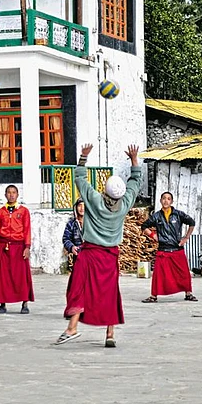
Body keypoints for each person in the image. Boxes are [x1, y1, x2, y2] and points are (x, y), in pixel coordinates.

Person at [55, 144, 142, 348]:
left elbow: (79, 179)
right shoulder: (125, 204)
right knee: (110, 293)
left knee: (79, 288)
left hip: (90, 253)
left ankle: (72, 328)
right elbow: (135, 182)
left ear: (105, 189)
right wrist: (134, 160)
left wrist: (83, 157)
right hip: (110, 256)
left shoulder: (95, 201)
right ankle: (110, 333)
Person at [140, 192, 198, 303]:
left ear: (171, 201)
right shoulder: (156, 216)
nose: (166, 201)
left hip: (177, 249)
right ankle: (153, 296)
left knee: (183, 273)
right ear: (160, 201)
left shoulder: (178, 214)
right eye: (164, 198)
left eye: (168, 199)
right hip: (163, 250)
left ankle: (188, 293)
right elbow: (144, 226)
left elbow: (191, 222)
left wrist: (186, 237)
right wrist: (153, 236)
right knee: (158, 275)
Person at [0, 184, 34, 314]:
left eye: (13, 192)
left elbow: (27, 230)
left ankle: (24, 303)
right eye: (9, 192)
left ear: (17, 195)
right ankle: (2, 304)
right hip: (4, 247)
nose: (11, 195)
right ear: (5, 195)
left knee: (21, 275)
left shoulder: (23, 211)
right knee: (2, 276)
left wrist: (27, 247)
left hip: (19, 246)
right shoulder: (0, 212)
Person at [62, 197, 85, 272]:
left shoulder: (93, 223)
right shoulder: (71, 223)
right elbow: (66, 239)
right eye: (79, 205)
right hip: (78, 257)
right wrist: (71, 247)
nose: (82, 208)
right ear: (76, 207)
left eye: (84, 206)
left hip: (91, 257)